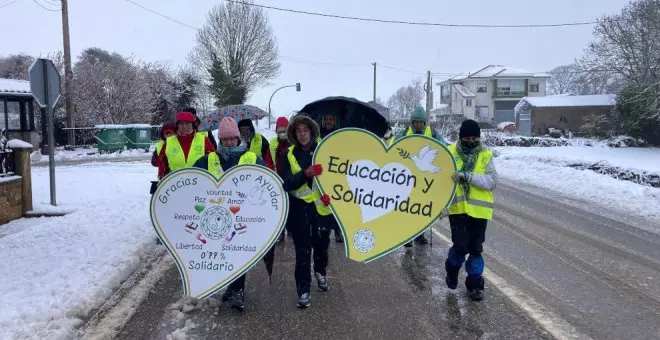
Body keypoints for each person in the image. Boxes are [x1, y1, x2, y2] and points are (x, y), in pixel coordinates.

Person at [193, 117, 262, 312]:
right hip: (216, 217)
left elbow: (265, 181)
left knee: (239, 253)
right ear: (220, 140)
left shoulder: (251, 158)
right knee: (224, 253)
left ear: (238, 138)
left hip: (242, 215)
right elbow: (192, 179)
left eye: (232, 138)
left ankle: (238, 291)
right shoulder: (209, 159)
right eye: (225, 139)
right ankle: (230, 287)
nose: (229, 142)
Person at [279, 113, 333, 308]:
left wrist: (331, 196)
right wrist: (305, 173)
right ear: (294, 134)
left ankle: (320, 271)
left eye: (306, 130)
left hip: (322, 210)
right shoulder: (289, 155)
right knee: (303, 252)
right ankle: (303, 290)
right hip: (299, 211)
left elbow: (336, 180)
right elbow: (286, 183)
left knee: (322, 247)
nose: (302, 134)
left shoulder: (324, 151)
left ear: (312, 132)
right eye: (298, 131)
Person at [444, 119, 497, 301]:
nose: (471, 140)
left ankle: (475, 285)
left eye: (474, 137)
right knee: (460, 247)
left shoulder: (485, 155)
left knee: (475, 249)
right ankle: (451, 270)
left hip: (479, 213)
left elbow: (491, 181)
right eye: (467, 137)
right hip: (458, 211)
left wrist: (468, 177)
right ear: (461, 137)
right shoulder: (450, 153)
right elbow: (440, 181)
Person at [391, 107, 448, 247]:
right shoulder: (404, 133)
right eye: (415, 122)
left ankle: (419, 234)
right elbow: (394, 148)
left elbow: (444, 149)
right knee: (409, 207)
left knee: (422, 208)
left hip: (426, 178)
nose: (418, 125)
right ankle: (407, 236)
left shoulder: (433, 134)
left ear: (424, 123)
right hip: (408, 178)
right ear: (412, 122)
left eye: (420, 122)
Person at [159, 111, 215, 176]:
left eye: (187, 123)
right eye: (181, 124)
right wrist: (163, 179)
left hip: (199, 181)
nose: (184, 126)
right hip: (175, 183)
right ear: (177, 125)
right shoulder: (169, 142)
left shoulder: (203, 139)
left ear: (192, 125)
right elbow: (162, 164)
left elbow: (213, 161)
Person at [317, 113, 344, 243]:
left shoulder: (339, 135)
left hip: (336, 172)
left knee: (337, 202)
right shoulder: (317, 135)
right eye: (326, 119)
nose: (328, 121)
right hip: (322, 172)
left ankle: (338, 230)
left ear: (335, 121)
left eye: (331, 119)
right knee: (324, 202)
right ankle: (325, 229)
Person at [269, 116, 292, 243]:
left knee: (291, 206)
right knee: (279, 208)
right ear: (276, 131)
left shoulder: (293, 141)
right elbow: (268, 159)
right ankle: (280, 232)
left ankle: (292, 229)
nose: (282, 133)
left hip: (291, 178)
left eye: (285, 130)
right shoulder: (273, 142)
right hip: (277, 178)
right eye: (280, 131)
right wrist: (270, 170)